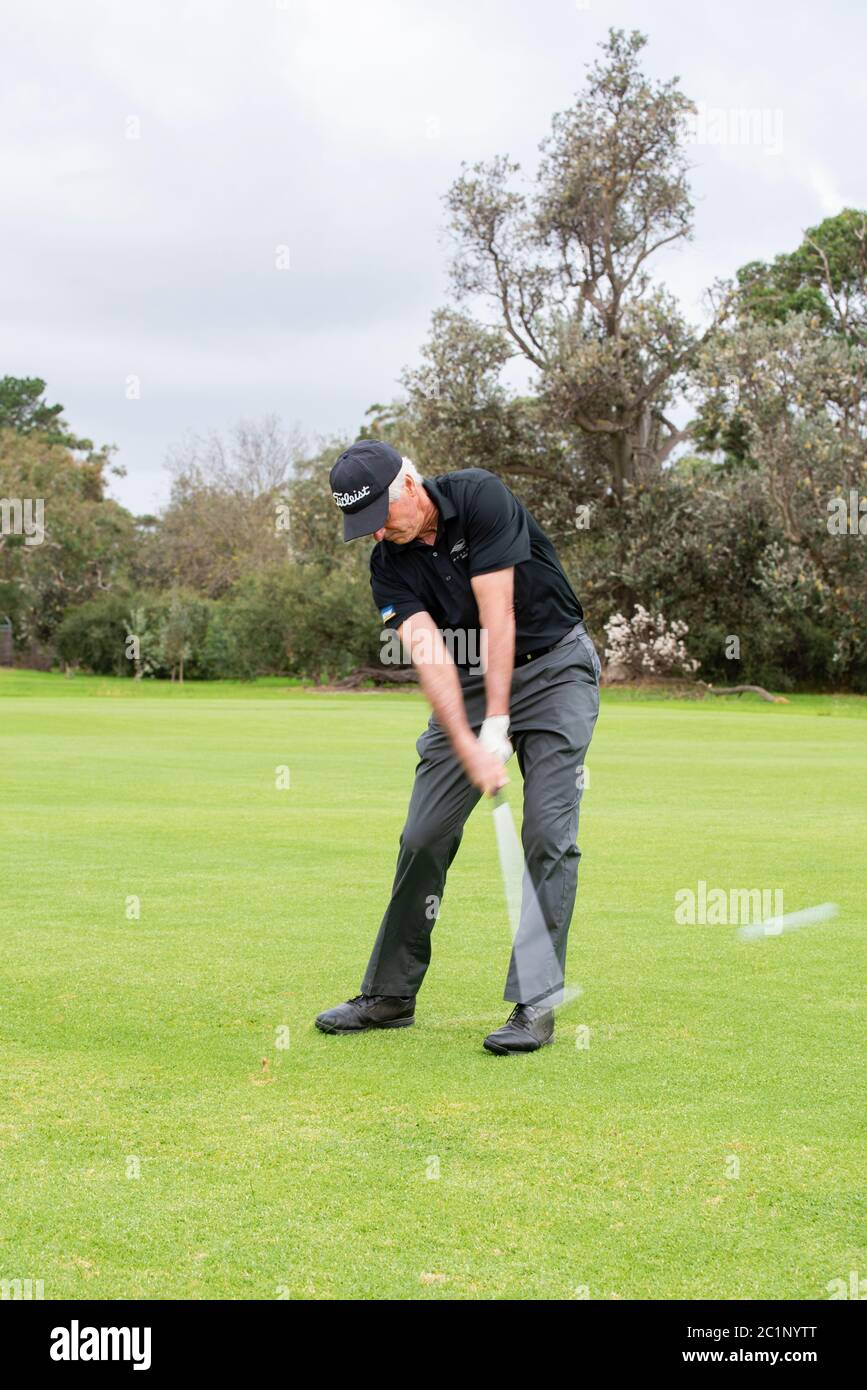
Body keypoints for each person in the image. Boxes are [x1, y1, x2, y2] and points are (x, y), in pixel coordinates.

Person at [316, 440, 601, 1054]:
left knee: (547, 834)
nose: (374, 535)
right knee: (423, 834)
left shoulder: (480, 497)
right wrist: (469, 740)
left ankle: (535, 1003)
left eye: (379, 518)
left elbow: (500, 615)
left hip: (554, 669)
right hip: (467, 683)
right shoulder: (387, 563)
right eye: (360, 526)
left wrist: (496, 725)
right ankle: (390, 994)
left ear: (410, 486)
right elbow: (429, 655)